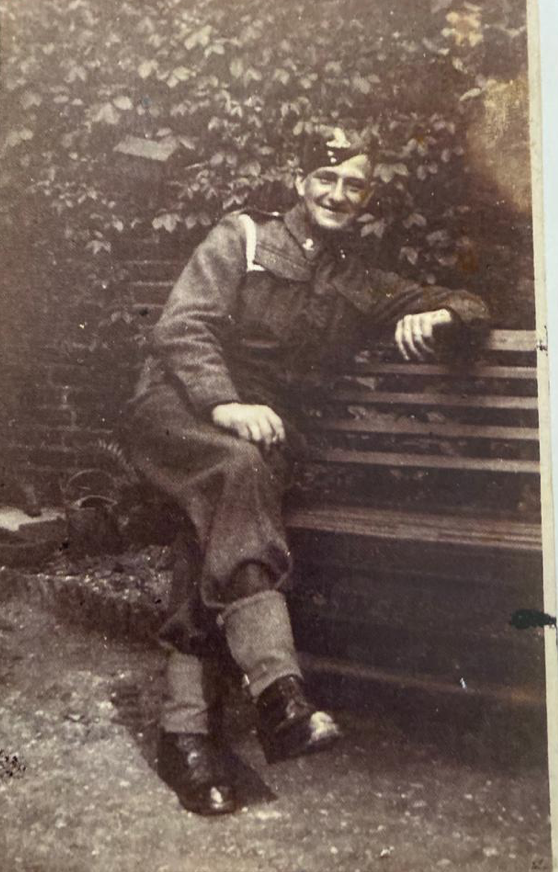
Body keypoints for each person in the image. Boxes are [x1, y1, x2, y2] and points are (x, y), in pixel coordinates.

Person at [127, 126, 490, 815]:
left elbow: (473, 304)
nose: (339, 193)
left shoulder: (357, 277)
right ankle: (278, 693)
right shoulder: (244, 238)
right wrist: (226, 403)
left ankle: (186, 732)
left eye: (355, 184)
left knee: (215, 518)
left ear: (367, 197)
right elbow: (182, 328)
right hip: (178, 410)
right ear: (301, 182)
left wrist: (446, 314)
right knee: (235, 472)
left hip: (255, 441)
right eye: (327, 178)